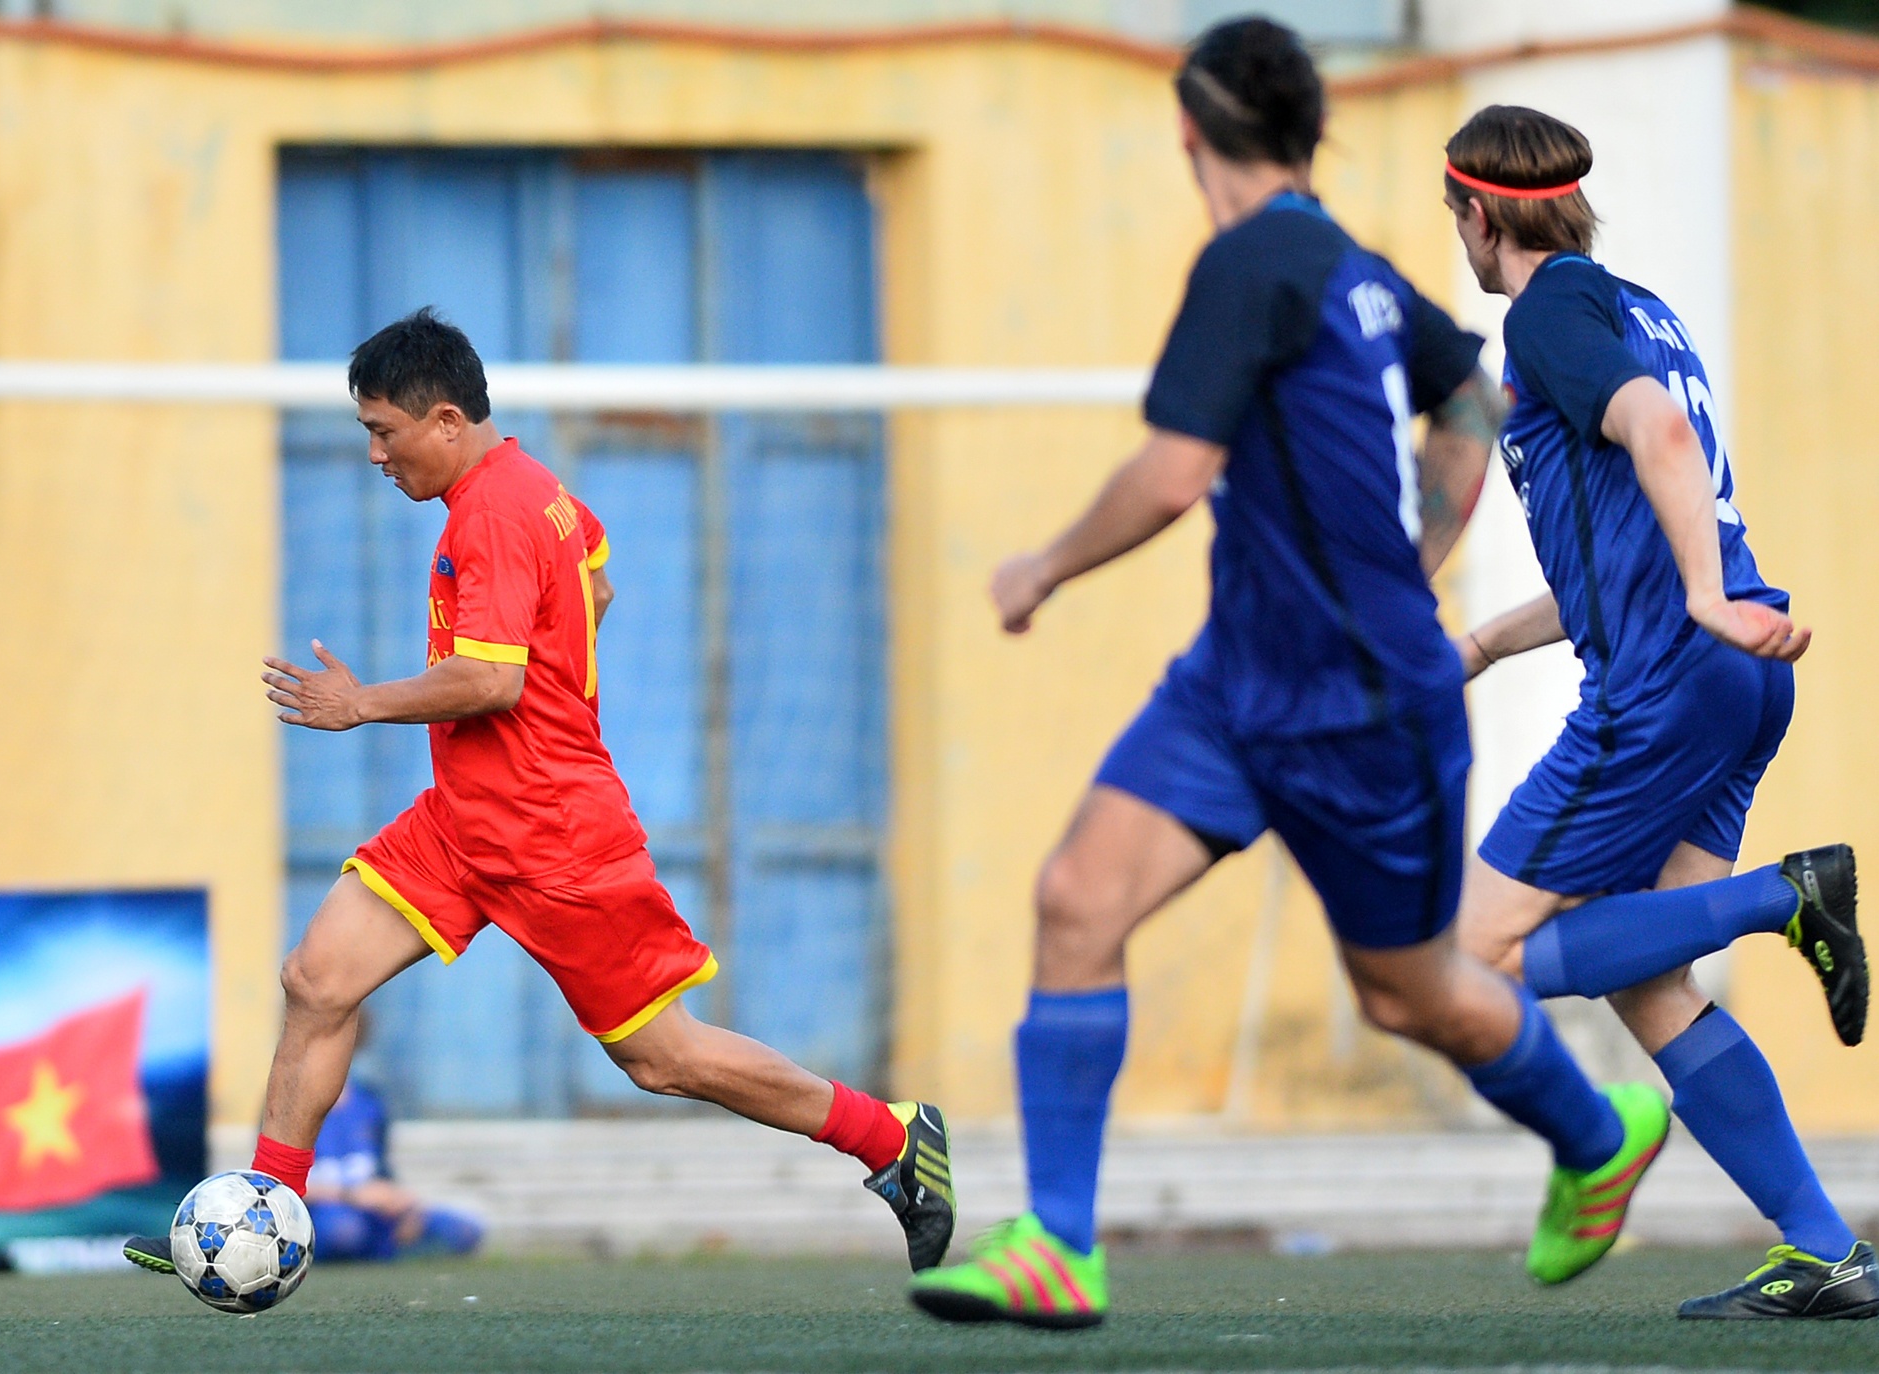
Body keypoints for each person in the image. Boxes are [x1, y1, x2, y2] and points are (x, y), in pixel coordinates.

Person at [910, 18, 1667, 1330]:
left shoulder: (1255, 261)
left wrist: (1040, 568)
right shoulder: (1350, 264)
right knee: (1077, 897)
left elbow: (1171, 473)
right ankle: (1059, 1244)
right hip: (1234, 683)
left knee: (1410, 992)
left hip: (1361, 707)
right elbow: (1470, 403)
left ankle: (1596, 1129)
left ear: (1190, 133)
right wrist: (1422, 547)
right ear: (1306, 131)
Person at [124, 308, 952, 1280]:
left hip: (554, 835)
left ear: (442, 421)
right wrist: (561, 657)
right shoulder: (536, 492)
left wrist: (360, 703)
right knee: (317, 981)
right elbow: (596, 579)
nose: (377, 456)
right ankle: (265, 1215)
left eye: (383, 433)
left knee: (664, 1058)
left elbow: (491, 680)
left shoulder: (497, 514)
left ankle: (893, 1142)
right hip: (465, 820)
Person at [1441, 105, 1875, 1320]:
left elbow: (1661, 434)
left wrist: (1694, 601)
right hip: (1736, 672)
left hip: (1672, 680)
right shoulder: (1636, 306)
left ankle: (1784, 898)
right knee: (1653, 972)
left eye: (1453, 221)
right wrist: (1479, 642)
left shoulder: (1547, 314)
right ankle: (1825, 1247)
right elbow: (1616, 530)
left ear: (1480, 214)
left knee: (1471, 959)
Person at [301, 1078, 483, 1263]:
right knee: (344, 1233)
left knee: (466, 1231)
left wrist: (404, 1204)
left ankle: (393, 1252)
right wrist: (351, 1194)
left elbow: (382, 1171)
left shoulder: (369, 1101)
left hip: (376, 1214)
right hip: (325, 1213)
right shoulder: (287, 1104)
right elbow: (280, 1184)